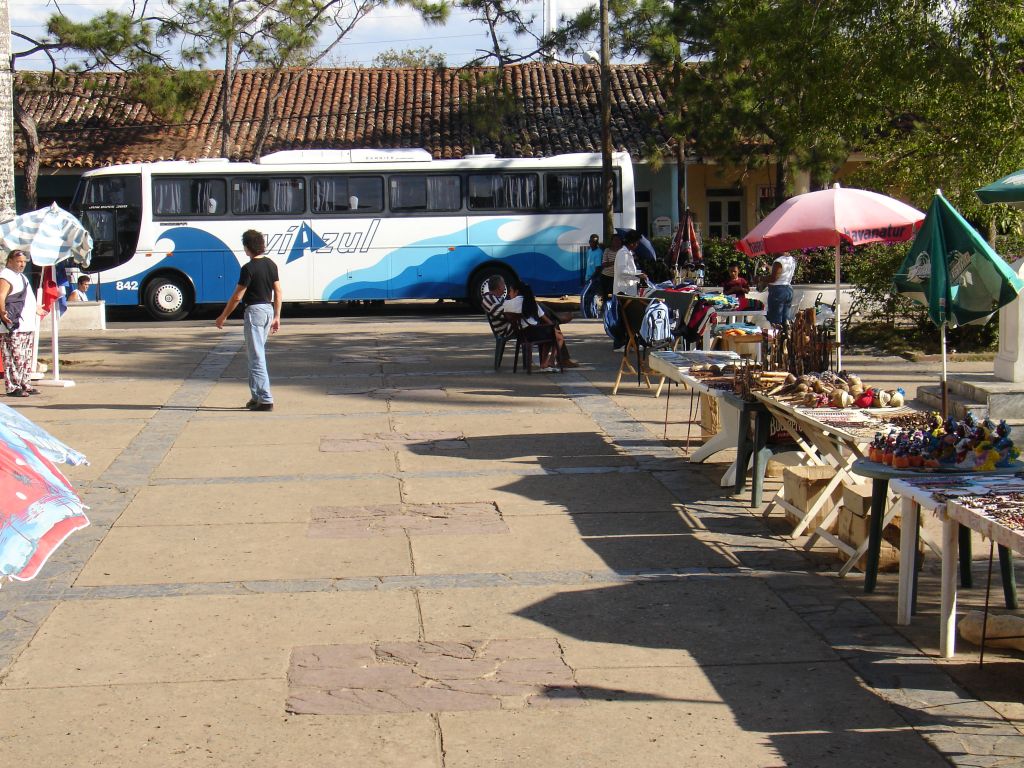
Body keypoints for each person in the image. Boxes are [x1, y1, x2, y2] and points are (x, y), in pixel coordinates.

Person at [215, 230, 282, 411]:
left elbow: (237, 296)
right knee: (254, 355)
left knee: (256, 356)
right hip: (268, 310)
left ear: (247, 247)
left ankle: (266, 398)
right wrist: (277, 316)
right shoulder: (271, 264)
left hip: (254, 312)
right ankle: (256, 396)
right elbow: (278, 291)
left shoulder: (248, 268)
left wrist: (223, 316)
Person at [502, 279, 578, 370]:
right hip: (535, 333)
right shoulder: (530, 303)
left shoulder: (506, 304)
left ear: (516, 292)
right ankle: (550, 361)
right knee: (558, 336)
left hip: (521, 335)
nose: (509, 293)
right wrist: (554, 328)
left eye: (510, 291)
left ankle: (545, 362)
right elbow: (545, 319)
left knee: (549, 331)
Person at [0, 250, 40, 397]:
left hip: (26, 324)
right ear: (10, 261)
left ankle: (24, 383)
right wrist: (3, 313)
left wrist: (35, 308)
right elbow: (1, 295)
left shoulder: (21, 277)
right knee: (12, 357)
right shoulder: (5, 276)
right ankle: (13, 387)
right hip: (13, 325)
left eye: (24, 262)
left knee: (25, 357)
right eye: (19, 261)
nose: (22, 264)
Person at [765, 252, 796, 326]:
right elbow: (782, 273)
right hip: (788, 289)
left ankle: (776, 336)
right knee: (785, 320)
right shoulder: (791, 259)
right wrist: (769, 267)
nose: (772, 253)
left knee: (775, 321)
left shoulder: (778, 261)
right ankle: (784, 335)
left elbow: (774, 278)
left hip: (778, 291)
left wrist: (760, 278)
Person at [614, 230, 646, 296]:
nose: (637, 245)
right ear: (632, 243)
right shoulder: (623, 253)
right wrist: (638, 275)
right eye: (637, 243)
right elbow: (622, 272)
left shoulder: (629, 253)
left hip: (629, 290)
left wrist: (640, 274)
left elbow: (630, 270)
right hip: (623, 291)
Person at [600, 233, 622, 298]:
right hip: (606, 276)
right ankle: (605, 307)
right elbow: (604, 264)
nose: (617, 241)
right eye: (615, 240)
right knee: (606, 295)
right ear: (612, 241)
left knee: (615, 295)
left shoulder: (622, 251)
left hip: (618, 277)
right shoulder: (607, 250)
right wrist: (615, 262)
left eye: (619, 240)